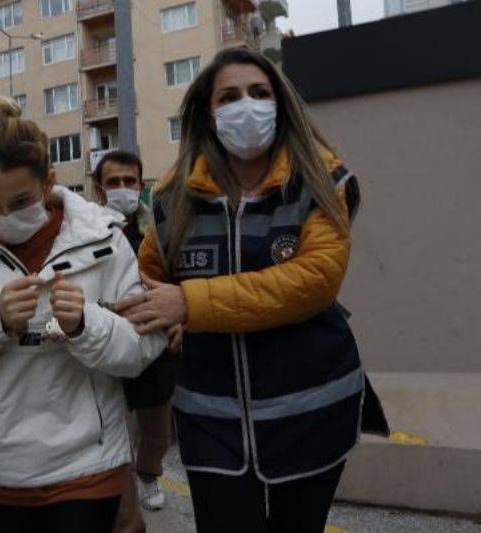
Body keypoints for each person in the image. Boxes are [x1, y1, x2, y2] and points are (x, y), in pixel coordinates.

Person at [116, 47, 366, 532]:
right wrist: (158, 320)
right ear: (208, 114)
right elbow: (145, 283)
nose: (245, 105)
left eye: (259, 93)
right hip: (212, 419)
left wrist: (188, 303)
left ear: (281, 104)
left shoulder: (323, 181)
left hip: (311, 409)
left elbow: (313, 281)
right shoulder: (172, 198)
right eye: (229, 96)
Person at [0, 96, 166, 533]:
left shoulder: (103, 234)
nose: (5, 216)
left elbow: (143, 345)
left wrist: (85, 323)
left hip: (88, 461)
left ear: (49, 183)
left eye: (21, 200)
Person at [91, 151, 178, 528]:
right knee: (117, 440)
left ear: (141, 186)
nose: (123, 189)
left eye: (130, 181)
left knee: (158, 434)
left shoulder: (161, 228)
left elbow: (180, 282)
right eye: (114, 183)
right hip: (109, 349)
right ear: (98, 190)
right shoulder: (87, 232)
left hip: (155, 348)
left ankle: (149, 474)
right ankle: (127, 511)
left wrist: (182, 317)